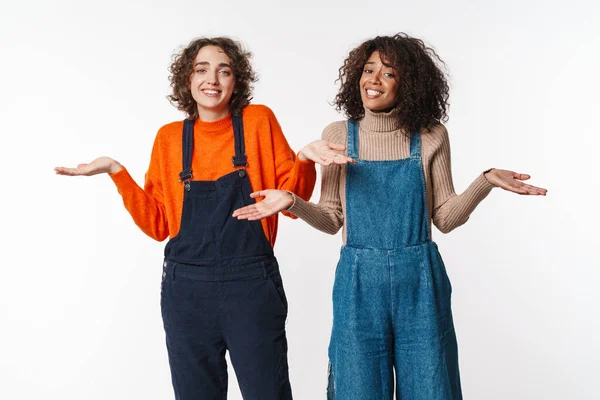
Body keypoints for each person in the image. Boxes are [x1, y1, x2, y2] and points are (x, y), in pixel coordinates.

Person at [233, 33, 547, 399]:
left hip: (420, 278)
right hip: (358, 280)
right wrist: (291, 201)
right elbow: (333, 218)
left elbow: (444, 217)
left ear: (409, 83)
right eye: (369, 70)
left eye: (389, 73)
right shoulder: (338, 135)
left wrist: (486, 181)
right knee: (357, 387)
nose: (374, 80)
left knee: (430, 387)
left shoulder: (430, 136)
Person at [55, 36, 316, 400]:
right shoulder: (170, 139)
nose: (213, 79)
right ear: (187, 79)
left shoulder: (259, 122)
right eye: (202, 69)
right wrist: (117, 172)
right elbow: (159, 225)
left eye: (224, 71)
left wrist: (304, 160)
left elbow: (294, 198)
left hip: (251, 286)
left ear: (236, 80)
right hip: (187, 292)